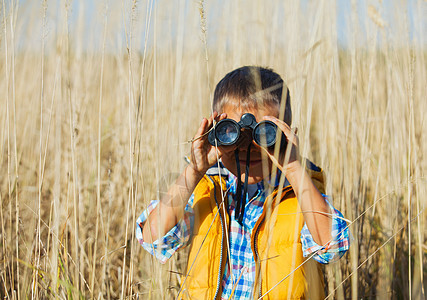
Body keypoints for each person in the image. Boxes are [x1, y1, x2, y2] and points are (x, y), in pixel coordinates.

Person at [136, 66, 350, 299]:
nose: (249, 146)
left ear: (286, 134)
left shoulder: (299, 193)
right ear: (216, 133)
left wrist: (293, 168)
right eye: (232, 133)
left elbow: (333, 247)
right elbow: (154, 237)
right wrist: (194, 171)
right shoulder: (207, 191)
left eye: (265, 134)